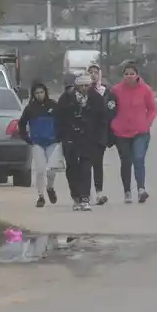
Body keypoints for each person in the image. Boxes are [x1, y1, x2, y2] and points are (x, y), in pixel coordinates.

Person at [56, 74, 107, 211]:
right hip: (70, 138)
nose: (84, 88)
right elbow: (59, 119)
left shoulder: (97, 98)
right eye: (81, 86)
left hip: (89, 138)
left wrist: (101, 140)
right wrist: (61, 136)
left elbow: (103, 120)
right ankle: (76, 197)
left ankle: (85, 197)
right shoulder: (66, 98)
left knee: (86, 167)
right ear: (76, 86)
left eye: (87, 85)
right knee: (72, 168)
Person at [111, 63, 157, 204]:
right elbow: (110, 108)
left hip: (140, 132)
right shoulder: (116, 90)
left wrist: (147, 123)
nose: (129, 76)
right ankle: (127, 191)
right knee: (126, 161)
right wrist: (113, 123)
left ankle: (141, 189)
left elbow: (152, 109)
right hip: (121, 132)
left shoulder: (145, 89)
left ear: (137, 75)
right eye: (126, 74)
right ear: (122, 76)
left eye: (132, 73)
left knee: (138, 158)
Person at [18, 82, 60, 208]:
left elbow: (62, 121)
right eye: (37, 93)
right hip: (37, 143)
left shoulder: (53, 105)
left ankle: (50, 187)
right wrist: (26, 138)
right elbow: (21, 124)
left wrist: (60, 136)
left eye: (41, 92)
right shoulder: (30, 109)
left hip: (52, 142)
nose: (39, 95)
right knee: (40, 170)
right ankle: (40, 196)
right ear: (33, 94)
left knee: (52, 170)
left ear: (45, 92)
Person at [88, 64, 116, 205]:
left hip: (100, 134)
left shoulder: (107, 92)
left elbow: (112, 112)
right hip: (85, 134)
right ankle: (85, 194)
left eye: (95, 72)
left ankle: (99, 192)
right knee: (85, 164)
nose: (93, 75)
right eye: (90, 72)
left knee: (97, 163)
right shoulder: (83, 91)